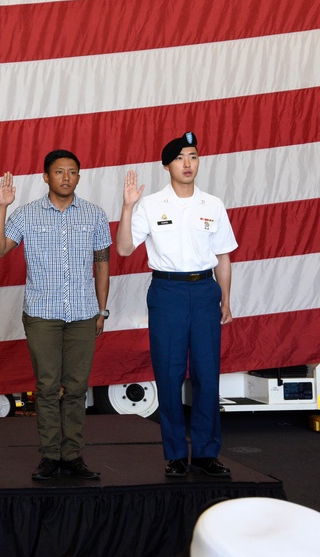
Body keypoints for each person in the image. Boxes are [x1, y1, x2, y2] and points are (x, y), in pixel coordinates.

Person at [116, 132, 237, 478]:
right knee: (168, 375)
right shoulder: (151, 204)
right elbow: (124, 249)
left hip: (204, 292)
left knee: (207, 375)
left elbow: (223, 256)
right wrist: (127, 207)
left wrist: (225, 298)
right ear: (167, 164)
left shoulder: (212, 204)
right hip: (167, 292)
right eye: (181, 157)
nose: (188, 164)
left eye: (194, 156)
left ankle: (205, 453)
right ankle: (174, 454)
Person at [0, 150, 111, 481]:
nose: (66, 177)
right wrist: (2, 206)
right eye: (59, 172)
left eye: (72, 172)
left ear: (79, 177)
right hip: (43, 314)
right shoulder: (27, 214)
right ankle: (49, 456)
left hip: (84, 313)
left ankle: (72, 455)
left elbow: (102, 263)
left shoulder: (95, 215)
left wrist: (102, 310)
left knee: (75, 387)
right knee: (46, 386)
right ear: (46, 177)